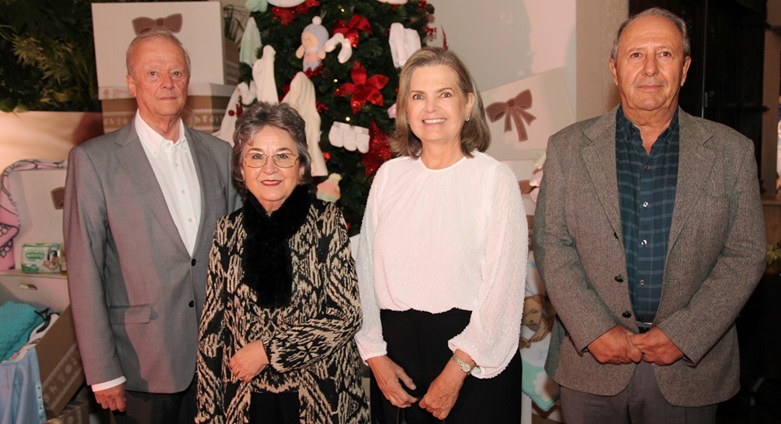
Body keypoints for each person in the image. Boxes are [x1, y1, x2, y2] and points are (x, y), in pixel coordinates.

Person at [533, 7, 766, 424]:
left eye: (665, 54)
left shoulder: (731, 152)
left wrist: (684, 335)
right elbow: (552, 243)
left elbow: (745, 253)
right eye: (636, 55)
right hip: (592, 364)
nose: (650, 69)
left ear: (685, 68)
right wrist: (595, 330)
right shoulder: (567, 149)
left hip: (689, 368)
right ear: (615, 68)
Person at [64, 29, 240, 423]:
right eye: (153, 73)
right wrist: (102, 370)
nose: (167, 83)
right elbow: (84, 269)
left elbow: (236, 255)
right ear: (131, 83)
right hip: (141, 363)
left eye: (177, 73)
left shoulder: (219, 155)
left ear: (188, 81)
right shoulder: (94, 161)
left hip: (218, 361)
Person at [355, 47, 527, 423]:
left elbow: (504, 292)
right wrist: (375, 355)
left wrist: (456, 372)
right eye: (418, 96)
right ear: (405, 108)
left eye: (444, 94)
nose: (430, 108)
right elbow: (364, 272)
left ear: (467, 104)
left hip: (473, 363)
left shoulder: (493, 180)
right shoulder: (389, 177)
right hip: (395, 359)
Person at [195, 102, 369, 423]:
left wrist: (268, 352)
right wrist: (209, 413)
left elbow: (345, 316)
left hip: (318, 399)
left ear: (301, 166)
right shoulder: (227, 230)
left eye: (283, 156)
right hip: (244, 402)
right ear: (241, 167)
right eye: (256, 156)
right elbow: (212, 330)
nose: (269, 169)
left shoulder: (325, 221)